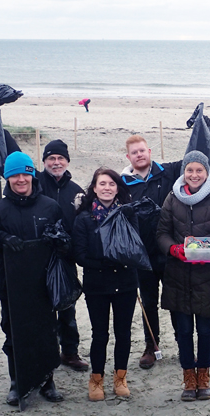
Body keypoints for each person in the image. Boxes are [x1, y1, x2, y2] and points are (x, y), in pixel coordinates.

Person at [0, 151, 65, 406]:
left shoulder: (50, 206)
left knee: (46, 331)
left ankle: (47, 381)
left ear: (33, 175)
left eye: (25, 174)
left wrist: (57, 239)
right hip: (11, 284)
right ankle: (17, 381)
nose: (21, 179)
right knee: (13, 332)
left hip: (44, 284)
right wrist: (1, 238)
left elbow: (64, 240)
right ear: (8, 179)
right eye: (15, 175)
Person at [156, 151, 210, 401]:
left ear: (206, 172)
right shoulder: (172, 198)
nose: (194, 175)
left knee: (205, 329)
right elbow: (161, 233)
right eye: (189, 170)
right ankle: (188, 377)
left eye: (199, 170)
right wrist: (173, 248)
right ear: (184, 172)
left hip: (206, 276)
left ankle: (204, 375)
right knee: (182, 330)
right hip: (177, 275)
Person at [72, 168, 139, 400]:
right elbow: (79, 254)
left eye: (111, 184)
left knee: (123, 333)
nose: (107, 188)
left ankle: (120, 377)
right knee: (100, 334)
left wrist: (121, 257)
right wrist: (104, 258)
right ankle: (96, 379)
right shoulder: (84, 218)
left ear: (118, 188)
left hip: (126, 282)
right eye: (102, 184)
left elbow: (135, 246)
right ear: (94, 188)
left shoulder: (127, 214)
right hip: (97, 284)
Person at [121, 135, 183, 370]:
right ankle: (152, 346)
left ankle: (182, 344)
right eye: (134, 153)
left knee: (175, 301)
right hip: (142, 255)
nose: (139, 155)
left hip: (169, 250)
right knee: (148, 302)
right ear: (129, 157)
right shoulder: (123, 182)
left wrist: (200, 125)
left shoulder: (168, 172)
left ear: (149, 151)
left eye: (142, 151)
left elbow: (193, 158)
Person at [39, 139, 88, 372]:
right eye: (51, 158)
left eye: (60, 158)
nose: (56, 163)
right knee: (41, 309)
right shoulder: (35, 184)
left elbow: (83, 224)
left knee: (67, 307)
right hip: (38, 258)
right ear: (45, 161)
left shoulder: (76, 190)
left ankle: (70, 352)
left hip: (66, 257)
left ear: (67, 161)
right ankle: (46, 354)